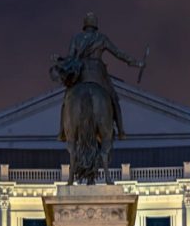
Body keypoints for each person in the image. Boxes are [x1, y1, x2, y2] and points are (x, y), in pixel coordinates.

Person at [52, 12, 144, 141]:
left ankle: (62, 131)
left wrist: (60, 59)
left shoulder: (76, 38)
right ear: (95, 25)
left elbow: (70, 58)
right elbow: (118, 54)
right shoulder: (101, 38)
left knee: (66, 100)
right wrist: (136, 63)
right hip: (98, 74)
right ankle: (121, 130)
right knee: (113, 98)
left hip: (81, 74)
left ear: (85, 25)